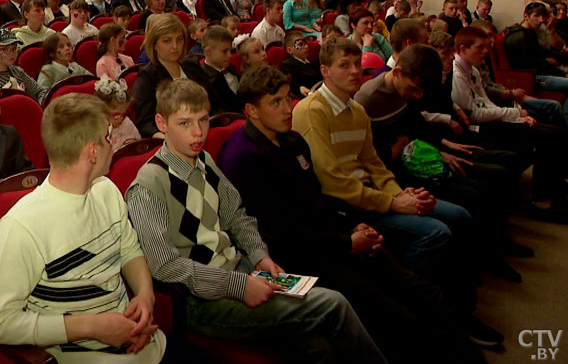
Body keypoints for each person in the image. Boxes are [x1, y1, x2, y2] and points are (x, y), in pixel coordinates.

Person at [218, 66, 498, 359]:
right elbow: (281, 233)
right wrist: (347, 243)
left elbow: (317, 200)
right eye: (276, 102)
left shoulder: (292, 141)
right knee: (395, 315)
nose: (288, 108)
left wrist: (353, 227)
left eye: (287, 98)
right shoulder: (243, 158)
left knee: (425, 292)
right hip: (296, 257)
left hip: (330, 237)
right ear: (252, 111)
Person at [126, 79, 386, 362]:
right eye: (185, 123)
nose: (198, 132)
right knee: (333, 304)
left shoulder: (204, 161)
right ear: (161, 123)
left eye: (203, 120)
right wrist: (238, 286)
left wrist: (260, 255)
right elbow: (166, 266)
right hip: (203, 300)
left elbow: (237, 216)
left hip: (243, 270)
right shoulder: (148, 185)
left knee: (318, 345)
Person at [0, 93, 168, 363]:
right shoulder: (22, 226)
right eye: (108, 138)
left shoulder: (106, 190)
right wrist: (93, 327)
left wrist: (144, 296)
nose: (112, 145)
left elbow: (130, 251)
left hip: (143, 343)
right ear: (93, 151)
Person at [291, 38, 471, 283]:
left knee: (459, 215)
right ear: (325, 71)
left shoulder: (357, 111)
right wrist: (393, 203)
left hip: (374, 194)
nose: (355, 70)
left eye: (357, 63)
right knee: (437, 233)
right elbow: (331, 181)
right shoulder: (312, 111)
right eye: (344, 65)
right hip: (348, 205)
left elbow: (375, 164)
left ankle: (453, 288)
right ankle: (416, 295)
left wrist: (399, 195)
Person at [355, 43, 528, 281]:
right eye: (414, 90)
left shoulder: (408, 89)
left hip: (416, 156)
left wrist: (441, 149)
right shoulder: (368, 99)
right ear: (397, 72)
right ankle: (482, 258)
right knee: (473, 194)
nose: (417, 96)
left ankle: (490, 251)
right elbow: (366, 155)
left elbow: (416, 127)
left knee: (485, 183)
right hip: (395, 170)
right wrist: (393, 152)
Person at [452, 26, 568, 223]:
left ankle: (550, 193)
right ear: (463, 49)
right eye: (480, 48)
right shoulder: (457, 74)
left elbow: (486, 101)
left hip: (490, 120)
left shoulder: (472, 69)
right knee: (545, 137)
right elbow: (475, 114)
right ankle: (542, 202)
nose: (486, 51)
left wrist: (516, 117)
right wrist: (513, 113)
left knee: (552, 132)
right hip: (477, 128)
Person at [132, 14, 213, 137]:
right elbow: (145, 122)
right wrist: (160, 135)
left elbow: (213, 102)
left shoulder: (192, 66)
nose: (175, 46)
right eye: (167, 41)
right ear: (154, 44)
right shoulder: (147, 76)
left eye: (179, 39)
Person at [0, 29, 47, 102]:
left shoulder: (17, 71)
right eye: (4, 49)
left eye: (14, 49)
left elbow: (39, 92)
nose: (11, 53)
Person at [200, 25, 242, 113]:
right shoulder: (205, 80)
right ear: (208, 51)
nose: (230, 55)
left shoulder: (230, 67)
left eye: (230, 51)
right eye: (224, 51)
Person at [280, 31, 321, 98]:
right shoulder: (288, 65)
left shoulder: (312, 63)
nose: (306, 47)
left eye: (306, 43)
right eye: (300, 44)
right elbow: (292, 85)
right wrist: (300, 88)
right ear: (289, 50)